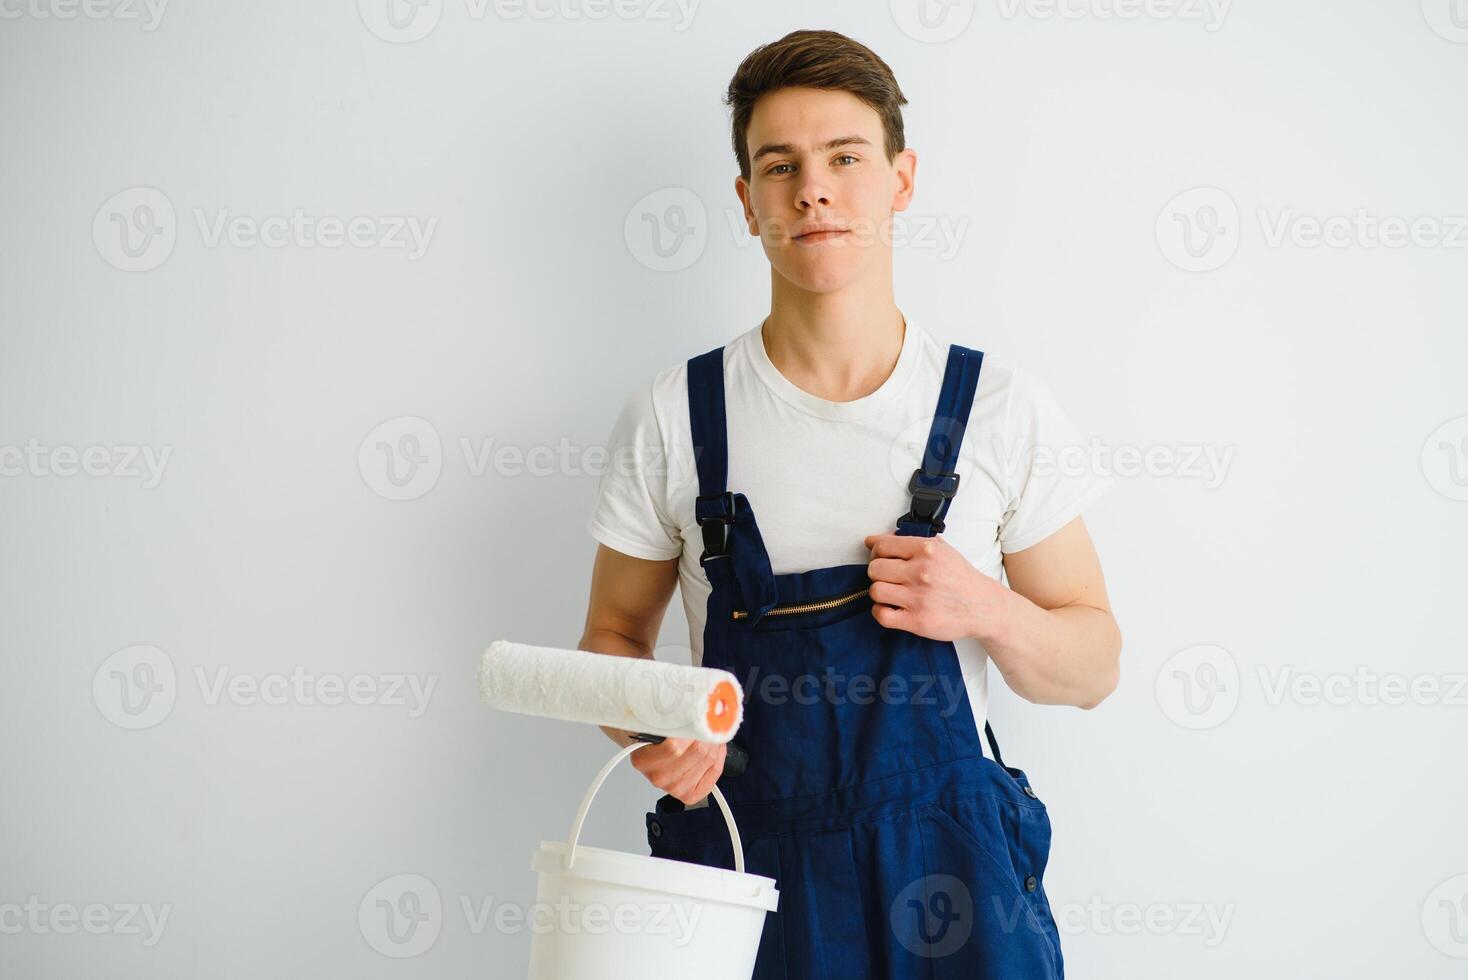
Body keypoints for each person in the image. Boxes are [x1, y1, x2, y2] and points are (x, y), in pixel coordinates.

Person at [578, 28, 1120, 979]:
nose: (812, 189)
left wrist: (986, 608)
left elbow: (1093, 666)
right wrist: (661, 722)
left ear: (902, 180)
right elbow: (610, 640)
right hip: (751, 883)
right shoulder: (673, 417)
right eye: (778, 165)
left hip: (957, 886)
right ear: (748, 204)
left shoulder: (999, 409)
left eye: (844, 158)